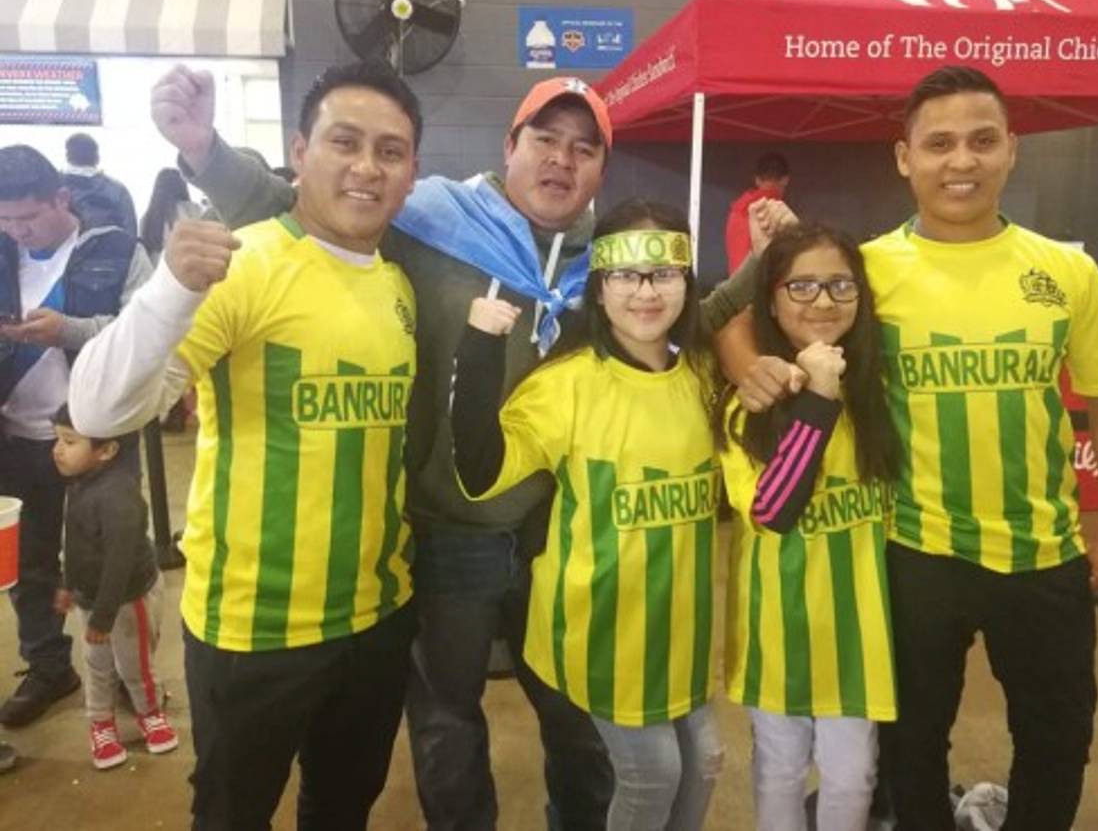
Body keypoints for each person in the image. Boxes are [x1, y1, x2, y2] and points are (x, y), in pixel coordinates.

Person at [160, 67, 759, 830]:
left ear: (600, 170)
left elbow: (688, 322)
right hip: (448, 526)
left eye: (583, 149)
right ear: (509, 147)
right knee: (447, 717)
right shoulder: (433, 220)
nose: (561, 159)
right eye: (545, 139)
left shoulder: (609, 262)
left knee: (574, 710)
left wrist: (757, 292)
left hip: (555, 528)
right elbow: (298, 206)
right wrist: (205, 152)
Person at [720, 66, 1098, 831]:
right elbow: (740, 315)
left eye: (981, 141)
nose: (961, 161)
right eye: (939, 143)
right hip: (913, 552)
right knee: (910, 744)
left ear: (1011, 149)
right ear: (903, 157)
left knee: (1056, 737)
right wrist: (750, 368)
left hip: (1042, 552)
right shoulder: (868, 271)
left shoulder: (1065, 271)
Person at [69, 61, 423, 829]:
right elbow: (96, 406)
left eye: (390, 151)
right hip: (254, 627)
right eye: (345, 142)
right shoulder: (244, 263)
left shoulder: (399, 284)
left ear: (411, 172)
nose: (367, 167)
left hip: (378, 615)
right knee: (232, 815)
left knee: (343, 808)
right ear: (300, 152)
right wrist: (167, 290)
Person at [454, 199, 724, 831]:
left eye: (663, 273)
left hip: (680, 626)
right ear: (599, 287)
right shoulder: (568, 383)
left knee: (706, 760)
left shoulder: (704, 373)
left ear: (686, 281)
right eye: (625, 274)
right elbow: (480, 472)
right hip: (601, 627)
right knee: (653, 773)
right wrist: (481, 345)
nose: (645, 292)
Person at [716, 226, 899, 831]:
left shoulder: (878, 396)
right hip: (779, 626)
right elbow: (773, 509)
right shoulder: (749, 405)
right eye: (801, 286)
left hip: (859, 629)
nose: (822, 301)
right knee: (780, 770)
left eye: (840, 285)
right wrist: (819, 396)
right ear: (770, 302)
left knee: (853, 777)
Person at [0, 145, 151, 729]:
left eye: (27, 218)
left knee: (116, 558)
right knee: (30, 562)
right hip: (17, 435)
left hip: (98, 439)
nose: (17, 231)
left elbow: (144, 334)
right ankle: (47, 667)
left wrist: (70, 329)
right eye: (5, 220)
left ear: (61, 198)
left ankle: (129, 672)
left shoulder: (118, 250)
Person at [51, 403, 176, 771]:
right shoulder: (79, 482)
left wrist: (103, 618)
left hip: (127, 599)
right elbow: (74, 541)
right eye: (57, 440)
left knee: (135, 664)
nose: (57, 450)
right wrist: (68, 584)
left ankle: (149, 713)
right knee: (97, 663)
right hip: (94, 600)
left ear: (106, 450)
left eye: (69, 442)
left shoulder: (118, 496)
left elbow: (119, 563)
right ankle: (101, 723)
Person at [62, 133, 138, 238]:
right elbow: (130, 232)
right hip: (110, 247)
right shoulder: (117, 190)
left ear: (67, 156)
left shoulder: (54, 188)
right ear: (97, 157)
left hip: (68, 247)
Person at [725, 152, 790, 275]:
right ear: (785, 180)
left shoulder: (735, 212)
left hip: (736, 284)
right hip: (763, 284)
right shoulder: (778, 213)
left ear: (757, 180)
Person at [139, 168, 192, 265]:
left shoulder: (146, 220)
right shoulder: (191, 210)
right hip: (189, 269)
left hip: (157, 272)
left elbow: (144, 256)